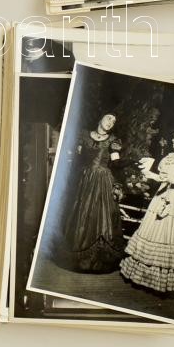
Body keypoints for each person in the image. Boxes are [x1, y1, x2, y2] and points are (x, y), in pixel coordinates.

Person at [120, 127, 174, 295]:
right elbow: (161, 178)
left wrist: (172, 178)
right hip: (161, 198)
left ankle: (169, 284)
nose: (173, 139)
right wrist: (150, 174)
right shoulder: (170, 158)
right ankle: (147, 279)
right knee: (155, 235)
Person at [62, 114, 125, 273]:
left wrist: (122, 176)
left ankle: (98, 260)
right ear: (100, 118)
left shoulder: (113, 141)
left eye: (114, 121)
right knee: (82, 214)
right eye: (109, 118)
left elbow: (116, 163)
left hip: (103, 180)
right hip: (85, 180)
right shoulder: (83, 135)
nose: (111, 122)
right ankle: (80, 259)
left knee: (101, 215)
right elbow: (76, 159)